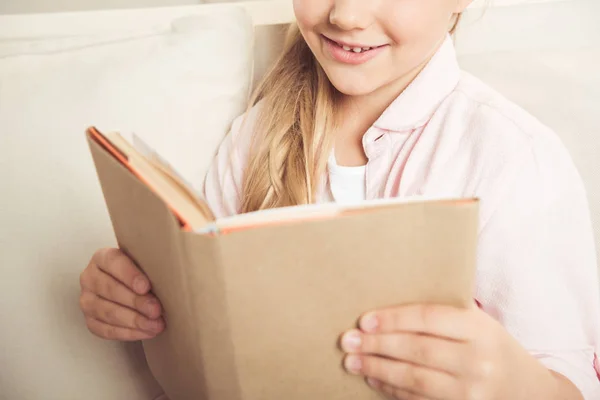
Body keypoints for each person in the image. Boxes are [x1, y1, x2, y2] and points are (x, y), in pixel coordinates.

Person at [78, 0, 600, 398]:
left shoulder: (510, 156)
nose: (347, 15)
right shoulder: (254, 135)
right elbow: (210, 314)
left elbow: (571, 379)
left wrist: (512, 381)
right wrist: (140, 301)